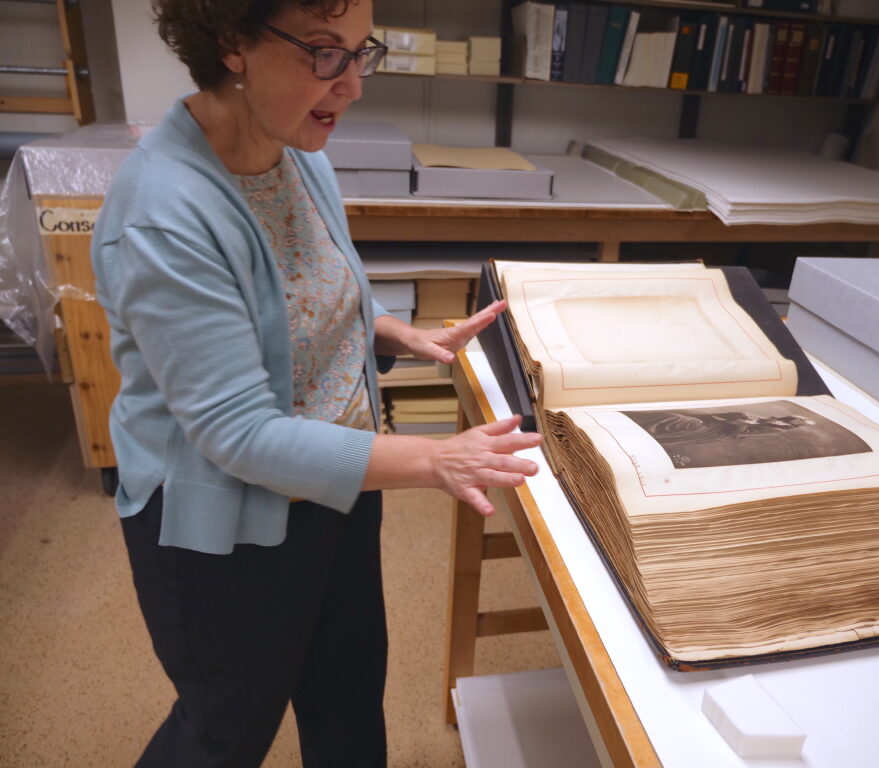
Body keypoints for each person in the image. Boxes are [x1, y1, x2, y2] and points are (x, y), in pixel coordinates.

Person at [89, 0, 543, 765]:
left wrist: (400, 332)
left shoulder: (298, 153)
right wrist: (434, 459)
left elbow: (304, 295)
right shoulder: (165, 215)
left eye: (363, 53)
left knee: (347, 694)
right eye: (325, 53)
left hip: (336, 488)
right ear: (233, 43)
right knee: (227, 728)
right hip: (223, 527)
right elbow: (238, 435)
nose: (353, 85)